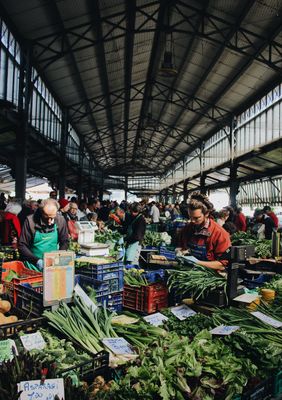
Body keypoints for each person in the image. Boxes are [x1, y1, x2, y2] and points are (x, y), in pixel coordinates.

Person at [177, 192, 231, 271]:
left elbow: (223, 264)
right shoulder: (187, 229)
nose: (192, 221)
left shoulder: (219, 233)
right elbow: (181, 246)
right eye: (190, 217)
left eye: (196, 218)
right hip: (189, 271)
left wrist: (197, 263)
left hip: (208, 276)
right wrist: (179, 251)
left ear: (206, 214)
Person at [18, 198, 69, 271]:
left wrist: (59, 256)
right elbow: (22, 245)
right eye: (46, 217)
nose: (49, 222)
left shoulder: (60, 220)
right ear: (41, 212)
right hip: (33, 266)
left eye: (52, 218)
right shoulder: (30, 221)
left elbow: (65, 241)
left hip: (53, 265)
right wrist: (37, 261)